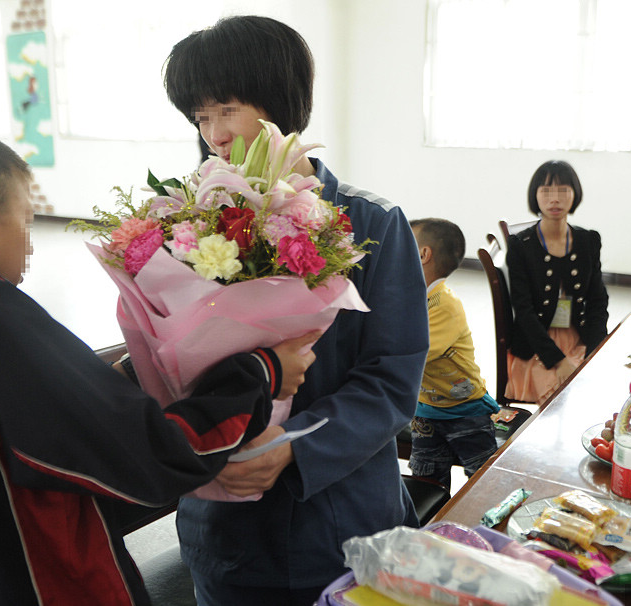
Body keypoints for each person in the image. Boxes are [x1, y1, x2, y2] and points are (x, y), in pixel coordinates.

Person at [0, 120, 318, 606]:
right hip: (43, 579)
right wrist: (260, 373)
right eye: (25, 220)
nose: (31, 241)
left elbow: (4, 425)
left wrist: (123, 374)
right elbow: (150, 457)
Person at [163, 15, 429, 605]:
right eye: (200, 117)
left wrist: (295, 444)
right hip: (226, 528)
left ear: (278, 103)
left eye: (225, 109)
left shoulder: (372, 225)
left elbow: (392, 380)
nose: (213, 133)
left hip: (341, 526)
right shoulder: (185, 229)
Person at [505, 160, 609, 405]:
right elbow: (524, 311)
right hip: (536, 345)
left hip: (578, 338)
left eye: (563, 191)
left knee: (594, 391)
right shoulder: (521, 245)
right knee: (560, 396)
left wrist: (593, 352)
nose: (555, 199)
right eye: (547, 191)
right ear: (535, 196)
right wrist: (558, 361)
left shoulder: (588, 240)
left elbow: (598, 301)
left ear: (575, 195)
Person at [409, 218, 499, 490]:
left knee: (482, 481)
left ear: (424, 254)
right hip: (426, 411)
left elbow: (415, 351)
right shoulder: (413, 296)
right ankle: (432, 524)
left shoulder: (444, 303)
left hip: (464, 411)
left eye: (403, 246)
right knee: (426, 477)